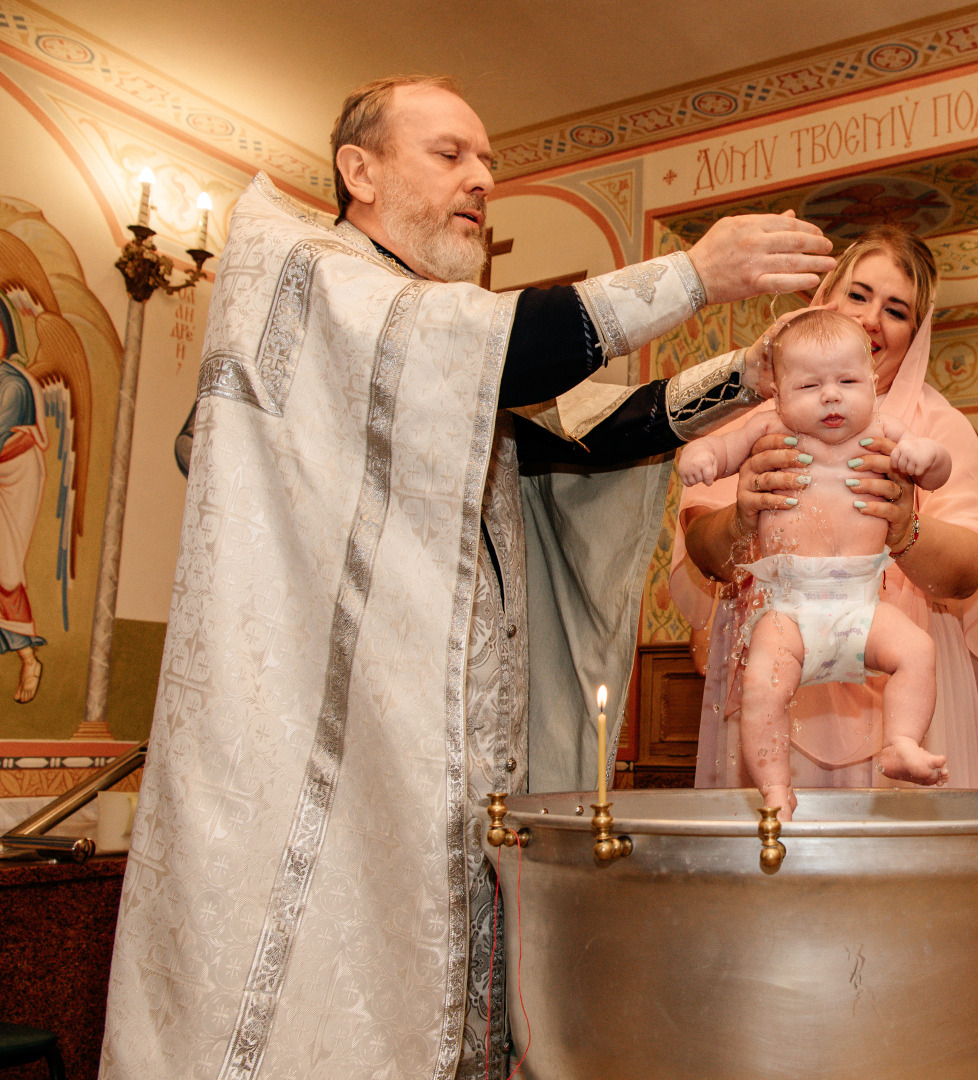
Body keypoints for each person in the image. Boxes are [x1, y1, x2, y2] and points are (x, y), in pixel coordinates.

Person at [101, 73, 835, 1080]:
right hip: (315, 756)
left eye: (490, 160)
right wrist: (696, 274)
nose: (483, 179)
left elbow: (574, 438)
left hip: (423, 757)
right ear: (358, 170)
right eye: (451, 154)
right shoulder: (307, 273)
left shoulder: (437, 340)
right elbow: (512, 355)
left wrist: (747, 374)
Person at [672, 226, 978, 792]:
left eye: (897, 310)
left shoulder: (934, 426)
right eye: (859, 295)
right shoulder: (758, 412)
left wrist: (905, 527)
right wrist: (743, 513)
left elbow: (971, 568)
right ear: (826, 298)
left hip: (893, 661)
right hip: (777, 656)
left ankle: (903, 743)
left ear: (916, 332)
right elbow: (706, 551)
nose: (872, 319)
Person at [679, 309, 952, 816]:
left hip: (861, 605)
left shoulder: (885, 430)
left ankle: (901, 742)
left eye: (847, 381)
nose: (831, 395)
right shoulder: (767, 428)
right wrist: (703, 458)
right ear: (779, 396)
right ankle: (776, 787)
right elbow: (719, 449)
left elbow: (938, 470)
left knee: (917, 650)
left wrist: (924, 456)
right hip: (790, 608)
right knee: (762, 685)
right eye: (809, 386)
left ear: (871, 384)